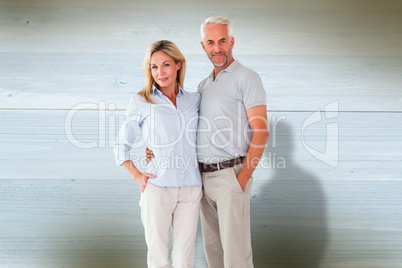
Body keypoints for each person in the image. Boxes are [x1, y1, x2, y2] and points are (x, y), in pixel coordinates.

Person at [147, 16, 270, 268]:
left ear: (232, 41)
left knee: (236, 255)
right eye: (211, 42)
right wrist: (156, 147)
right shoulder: (203, 86)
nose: (217, 48)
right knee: (213, 252)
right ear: (203, 46)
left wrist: (242, 178)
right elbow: (189, 130)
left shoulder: (247, 78)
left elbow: (262, 131)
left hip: (231, 177)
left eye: (222, 41)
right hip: (201, 179)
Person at [114, 40, 202, 268]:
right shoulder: (142, 101)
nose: (160, 72)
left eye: (165, 65)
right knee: (159, 259)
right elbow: (122, 144)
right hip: (158, 188)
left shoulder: (195, 100)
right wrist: (137, 175)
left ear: (178, 65)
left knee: (185, 261)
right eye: (154, 67)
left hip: (191, 189)